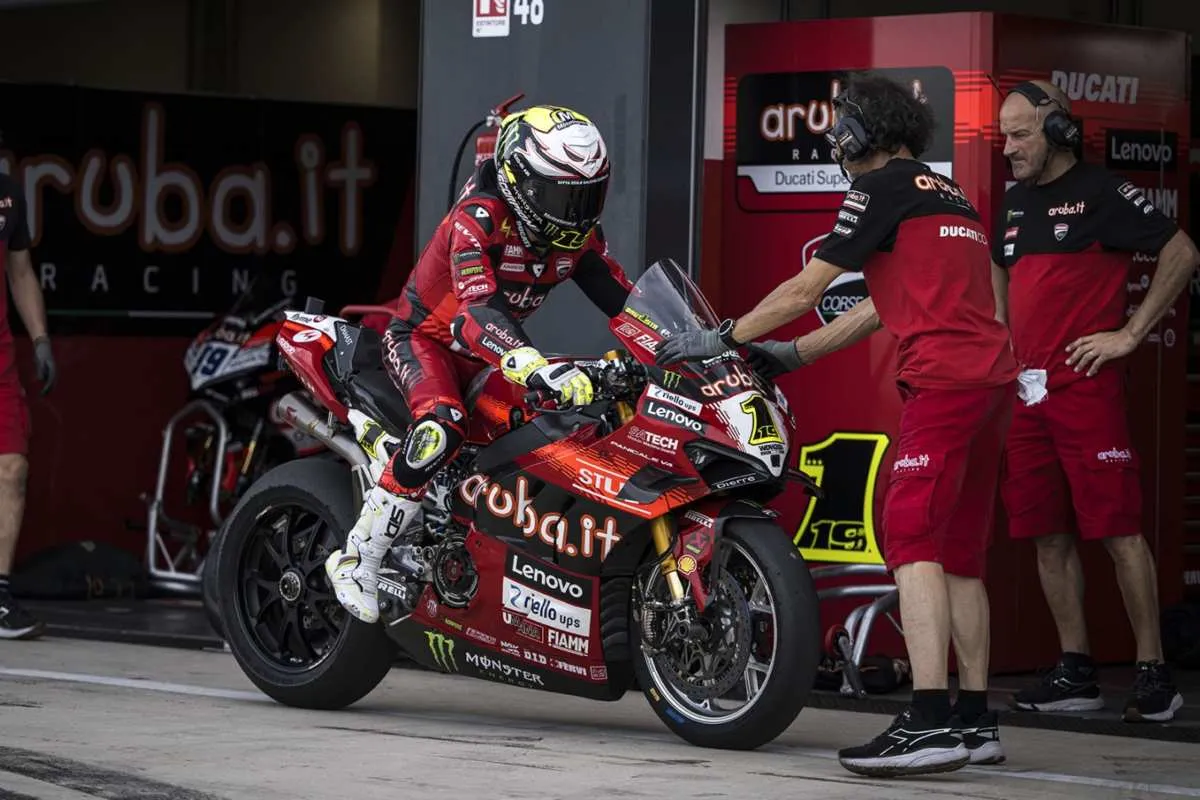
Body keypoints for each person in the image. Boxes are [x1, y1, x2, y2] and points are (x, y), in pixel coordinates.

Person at [655, 72, 1018, 777]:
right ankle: (975, 720)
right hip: (991, 383)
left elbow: (805, 287)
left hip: (943, 383)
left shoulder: (878, 189)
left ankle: (928, 720)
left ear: (865, 131)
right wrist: (793, 352)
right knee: (962, 557)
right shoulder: (950, 197)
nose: (833, 133)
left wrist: (721, 338)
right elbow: (881, 305)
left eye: (842, 120)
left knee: (910, 541)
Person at [324, 105, 633, 624]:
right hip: (427, 342)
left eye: (588, 195)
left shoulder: (576, 238)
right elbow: (473, 316)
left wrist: (693, 342)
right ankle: (359, 556)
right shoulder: (476, 220)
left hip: (498, 353)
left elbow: (627, 301)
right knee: (441, 428)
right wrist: (534, 365)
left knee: (562, 427)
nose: (576, 212)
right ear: (520, 180)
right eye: (564, 195)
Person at [994, 79, 1197, 723]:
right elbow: (1001, 268)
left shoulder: (1103, 192)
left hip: (1088, 390)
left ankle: (1152, 673)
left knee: (1117, 533)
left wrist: (1130, 333)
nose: (1008, 147)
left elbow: (1182, 250)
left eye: (1020, 133)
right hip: (1027, 394)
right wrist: (1002, 341)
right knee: (1046, 537)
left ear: (1058, 132)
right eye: (1004, 134)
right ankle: (1076, 669)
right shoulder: (1013, 203)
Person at [0, 171, 56, 640]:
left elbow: (19, 270)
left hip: (0, 361)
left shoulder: (9, 193)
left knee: (12, 468)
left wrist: (40, 340)